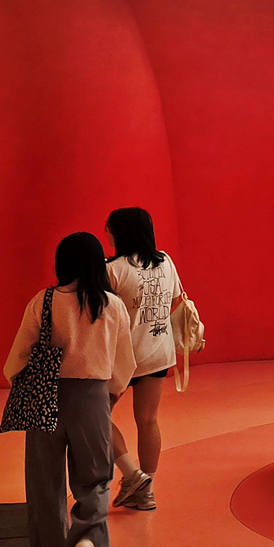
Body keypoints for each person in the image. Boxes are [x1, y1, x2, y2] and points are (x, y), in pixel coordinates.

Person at [6, 232, 135, 547]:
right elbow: (125, 363)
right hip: (92, 398)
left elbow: (19, 356)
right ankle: (87, 540)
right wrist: (111, 392)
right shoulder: (112, 306)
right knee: (95, 477)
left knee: (43, 480)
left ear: (61, 262)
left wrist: (15, 380)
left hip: (45, 396)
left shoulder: (44, 301)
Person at [104, 207, 183, 511]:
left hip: (122, 357)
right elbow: (175, 299)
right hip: (158, 352)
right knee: (148, 420)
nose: (107, 235)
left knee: (95, 416)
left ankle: (132, 475)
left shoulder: (113, 270)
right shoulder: (165, 261)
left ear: (119, 233)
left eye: (109, 229)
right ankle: (146, 490)